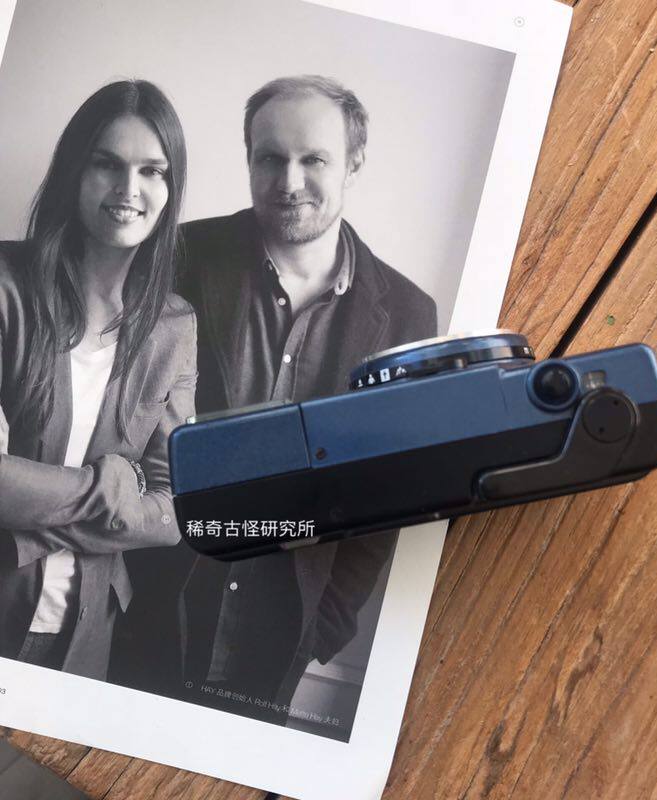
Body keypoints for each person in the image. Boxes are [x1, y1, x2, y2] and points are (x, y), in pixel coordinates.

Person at [126, 75, 437, 721]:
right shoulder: (177, 256)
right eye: (270, 158)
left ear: (353, 162)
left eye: (313, 158)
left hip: (279, 635)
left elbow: (392, 490)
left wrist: (326, 621)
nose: (289, 181)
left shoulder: (409, 314)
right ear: (248, 159)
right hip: (150, 605)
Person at [0, 80, 197, 681]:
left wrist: (30, 495)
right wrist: (112, 487)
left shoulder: (175, 326)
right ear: (74, 171)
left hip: (87, 638)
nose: (128, 189)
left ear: (170, 188)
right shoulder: (6, 288)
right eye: (107, 163)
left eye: (152, 170)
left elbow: (177, 510)